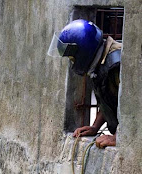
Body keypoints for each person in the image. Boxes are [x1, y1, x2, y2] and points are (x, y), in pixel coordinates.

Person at [48, 19, 122, 148]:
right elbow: (109, 100)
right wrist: (94, 127)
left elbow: (135, 108)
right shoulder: (100, 62)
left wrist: (120, 137)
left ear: (83, 51)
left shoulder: (117, 65)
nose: (72, 63)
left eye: (72, 58)